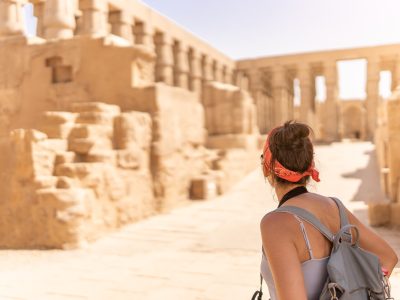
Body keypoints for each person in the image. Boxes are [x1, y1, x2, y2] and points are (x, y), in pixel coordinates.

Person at [259, 120, 398, 300]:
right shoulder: (335, 207)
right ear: (310, 166)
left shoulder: (275, 224)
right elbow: (388, 258)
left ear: (267, 169)